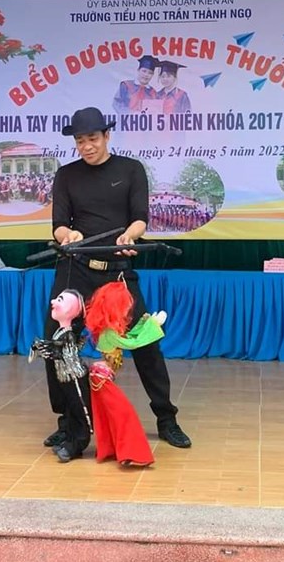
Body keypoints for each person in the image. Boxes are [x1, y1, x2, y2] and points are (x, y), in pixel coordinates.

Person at [42, 105, 192, 461]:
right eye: (80, 141)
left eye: (93, 139)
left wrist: (129, 235)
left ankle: (166, 418)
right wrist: (68, 236)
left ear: (107, 136)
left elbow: (140, 218)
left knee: (146, 342)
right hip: (76, 270)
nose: (87, 146)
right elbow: (59, 225)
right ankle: (68, 420)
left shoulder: (130, 170)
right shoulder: (66, 175)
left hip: (117, 271)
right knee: (56, 343)